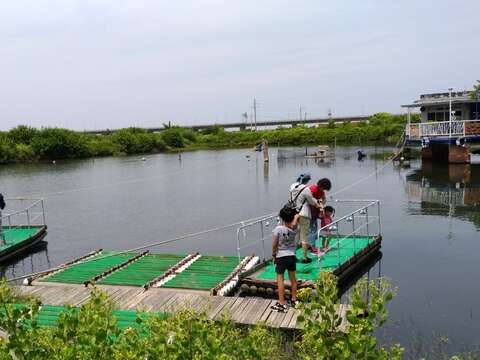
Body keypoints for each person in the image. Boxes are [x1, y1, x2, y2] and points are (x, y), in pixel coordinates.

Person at [271, 205, 299, 312]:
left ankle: (281, 303)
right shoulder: (295, 228)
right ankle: (294, 299)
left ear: (282, 218)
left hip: (281, 257)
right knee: (293, 279)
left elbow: (274, 244)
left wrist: (274, 255)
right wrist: (295, 216)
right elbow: (296, 220)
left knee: (280, 280)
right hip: (291, 256)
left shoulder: (278, 229)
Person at [293, 175, 321, 263]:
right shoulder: (306, 189)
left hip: (294, 213)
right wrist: (319, 205)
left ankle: (292, 256)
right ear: (307, 180)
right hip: (304, 214)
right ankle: (304, 258)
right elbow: (312, 201)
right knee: (304, 236)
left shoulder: (292, 186)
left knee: (295, 236)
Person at [308, 178, 332, 254]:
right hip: (308, 213)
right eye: (323, 188)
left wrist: (322, 204)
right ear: (320, 185)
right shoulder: (313, 189)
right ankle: (312, 247)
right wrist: (318, 205)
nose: (323, 190)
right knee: (313, 230)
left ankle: (311, 246)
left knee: (313, 229)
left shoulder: (320, 191)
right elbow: (308, 200)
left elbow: (324, 199)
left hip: (315, 213)